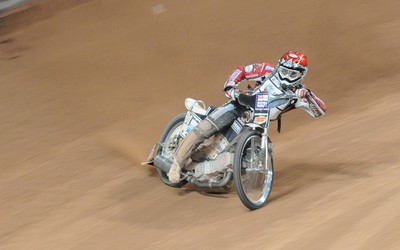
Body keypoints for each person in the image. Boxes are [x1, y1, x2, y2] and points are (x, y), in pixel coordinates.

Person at [167, 50, 327, 183]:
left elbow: (320, 111)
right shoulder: (267, 70)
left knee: (241, 158)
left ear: (301, 75)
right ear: (279, 66)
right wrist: (231, 87)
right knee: (206, 128)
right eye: (284, 70)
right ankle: (177, 164)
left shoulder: (299, 94)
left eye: (292, 73)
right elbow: (242, 71)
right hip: (239, 105)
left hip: (257, 123)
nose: (286, 75)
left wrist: (308, 95)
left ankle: (218, 171)